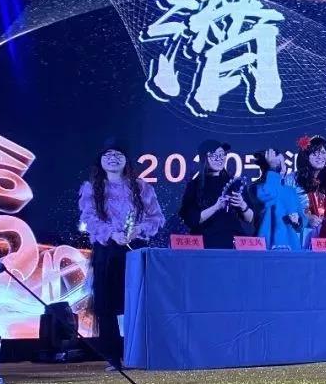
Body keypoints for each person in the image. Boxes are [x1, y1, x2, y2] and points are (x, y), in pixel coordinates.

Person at [77, 138, 164, 370]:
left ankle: (141, 353)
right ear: (100, 160)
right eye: (108, 155)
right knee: (106, 306)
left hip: (135, 250)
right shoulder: (91, 188)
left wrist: (139, 229)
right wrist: (111, 233)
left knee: (137, 303)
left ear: (126, 160)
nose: (113, 158)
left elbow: (157, 218)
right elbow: (89, 219)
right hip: (106, 251)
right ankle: (114, 358)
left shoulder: (142, 187)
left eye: (118, 154)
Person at [178, 139, 254, 249]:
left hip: (233, 245)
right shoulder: (194, 186)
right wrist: (215, 207)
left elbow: (249, 218)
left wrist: (242, 204)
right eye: (213, 155)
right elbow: (191, 220)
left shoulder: (234, 183)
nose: (219, 159)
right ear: (204, 158)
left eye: (222, 154)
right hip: (205, 245)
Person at [289, 135, 326, 248]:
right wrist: (306, 218)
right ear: (306, 156)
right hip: (302, 236)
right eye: (315, 153)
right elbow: (286, 208)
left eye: (323, 152)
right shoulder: (292, 179)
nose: (320, 156)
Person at [248, 147, 304, 250]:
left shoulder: (290, 190)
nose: (283, 168)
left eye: (283, 164)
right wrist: (273, 169)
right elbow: (270, 195)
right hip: (266, 247)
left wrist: (298, 221)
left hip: (291, 248)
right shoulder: (256, 188)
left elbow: (302, 220)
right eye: (278, 164)